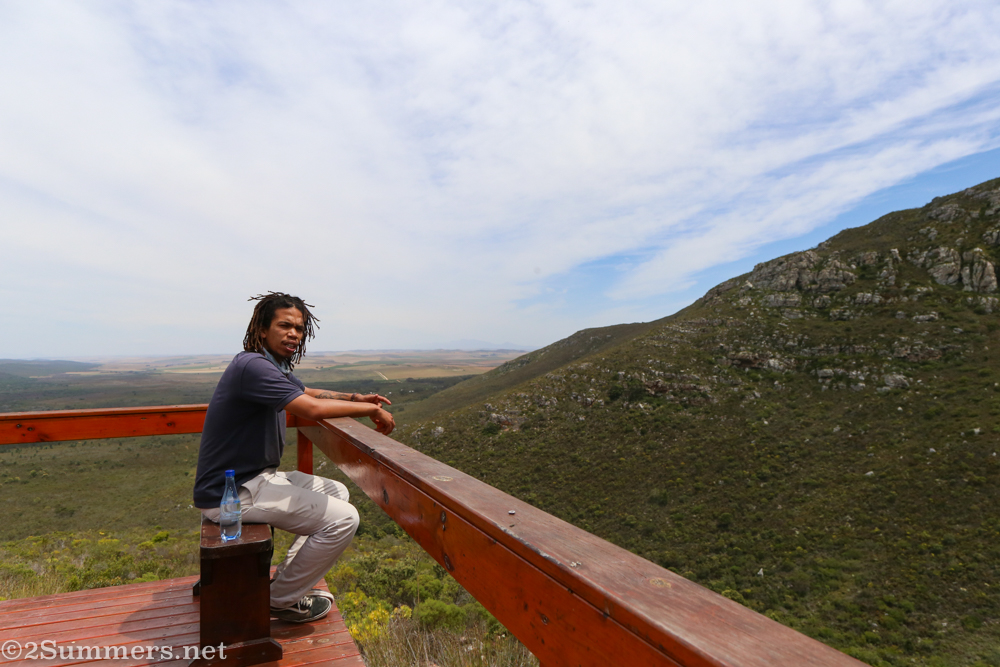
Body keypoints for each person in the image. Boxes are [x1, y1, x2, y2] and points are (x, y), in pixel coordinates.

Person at [193, 292, 395, 623]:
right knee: (345, 518)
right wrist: (370, 409)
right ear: (261, 329)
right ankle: (278, 600)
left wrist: (354, 396)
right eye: (284, 325)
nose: (294, 334)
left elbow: (306, 392)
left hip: (256, 478)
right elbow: (312, 408)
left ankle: (284, 580)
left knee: (336, 492)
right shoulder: (252, 365)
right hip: (229, 492)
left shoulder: (273, 366)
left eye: (299, 329)